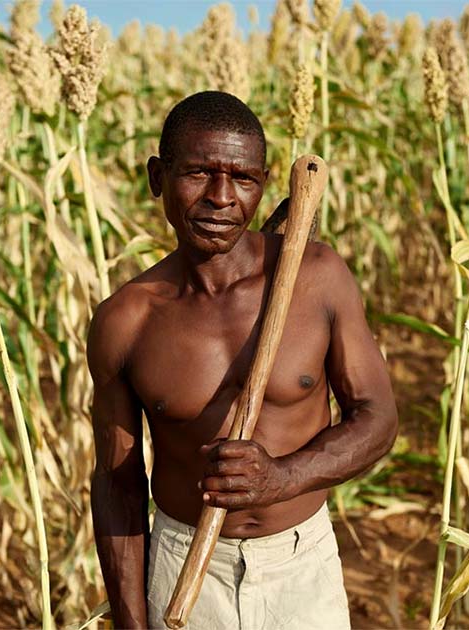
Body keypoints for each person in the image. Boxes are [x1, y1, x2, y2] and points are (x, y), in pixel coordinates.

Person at [87, 91, 398, 630]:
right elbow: (118, 484)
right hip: (184, 570)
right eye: (198, 174)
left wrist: (283, 476)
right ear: (157, 177)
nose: (222, 198)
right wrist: (132, 624)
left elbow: (378, 418)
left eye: (244, 179)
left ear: (264, 182)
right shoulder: (127, 320)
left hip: (300, 566)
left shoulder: (316, 277)